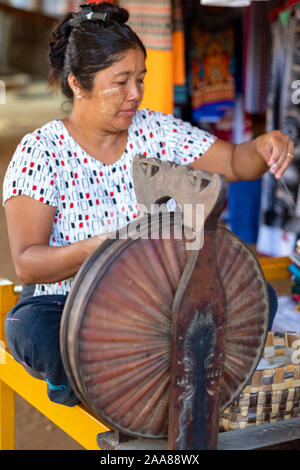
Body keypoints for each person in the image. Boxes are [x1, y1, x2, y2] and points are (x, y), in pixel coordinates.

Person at [2, 2, 294, 406]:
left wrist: (264, 146)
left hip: (155, 298)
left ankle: (136, 375)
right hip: (70, 304)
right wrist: (101, 248)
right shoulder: (41, 151)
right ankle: (133, 376)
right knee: (30, 330)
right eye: (121, 82)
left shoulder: (154, 130)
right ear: (77, 84)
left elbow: (232, 162)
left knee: (257, 294)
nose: (135, 93)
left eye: (140, 79)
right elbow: (28, 262)